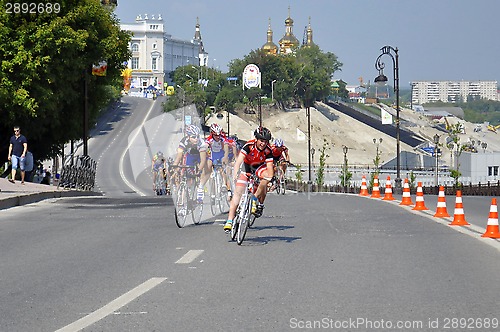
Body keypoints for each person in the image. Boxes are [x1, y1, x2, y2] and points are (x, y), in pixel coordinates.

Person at [224, 127, 274, 232]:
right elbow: (238, 162)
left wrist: (270, 178)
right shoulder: (249, 146)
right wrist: (235, 174)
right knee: (237, 194)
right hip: (246, 168)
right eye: (261, 141)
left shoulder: (268, 151)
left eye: (265, 141)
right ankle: (229, 220)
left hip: (259, 168)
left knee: (267, 176)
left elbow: (270, 168)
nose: (263, 144)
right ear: (256, 139)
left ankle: (255, 199)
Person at [171, 124, 208, 202]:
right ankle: (187, 193)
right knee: (187, 174)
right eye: (194, 137)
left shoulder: (201, 143)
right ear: (188, 137)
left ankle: (200, 188)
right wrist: (174, 165)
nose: (196, 139)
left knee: (204, 168)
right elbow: (179, 156)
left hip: (199, 156)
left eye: (198, 136)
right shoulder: (183, 141)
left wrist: (199, 170)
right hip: (190, 156)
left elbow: (203, 160)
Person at [199, 123, 229, 199]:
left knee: (223, 169)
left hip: (221, 154)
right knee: (208, 167)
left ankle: (224, 185)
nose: (218, 137)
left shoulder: (223, 139)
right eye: (216, 135)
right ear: (212, 134)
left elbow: (226, 148)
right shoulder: (209, 139)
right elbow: (205, 148)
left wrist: (225, 157)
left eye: (219, 135)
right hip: (212, 155)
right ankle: (202, 187)